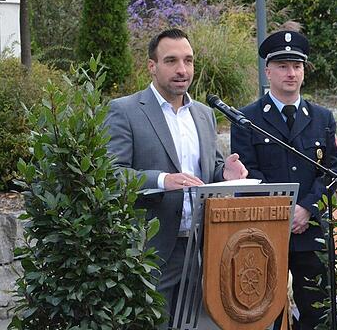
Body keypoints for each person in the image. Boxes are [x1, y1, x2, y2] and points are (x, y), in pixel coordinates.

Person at [104, 28, 249, 328]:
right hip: (151, 251)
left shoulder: (204, 114)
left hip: (204, 249)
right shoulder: (125, 111)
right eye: (171, 61)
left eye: (188, 61)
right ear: (152, 66)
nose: (182, 70)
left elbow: (209, 173)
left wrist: (225, 174)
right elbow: (110, 175)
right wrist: (161, 180)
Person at [230, 30, 337, 330]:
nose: (291, 73)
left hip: (311, 233)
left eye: (297, 66)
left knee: (317, 315)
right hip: (265, 232)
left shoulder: (323, 118)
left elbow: (332, 170)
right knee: (265, 316)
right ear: (267, 71)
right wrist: (283, 211)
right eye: (282, 66)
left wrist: (307, 207)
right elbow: (249, 173)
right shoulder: (247, 119)